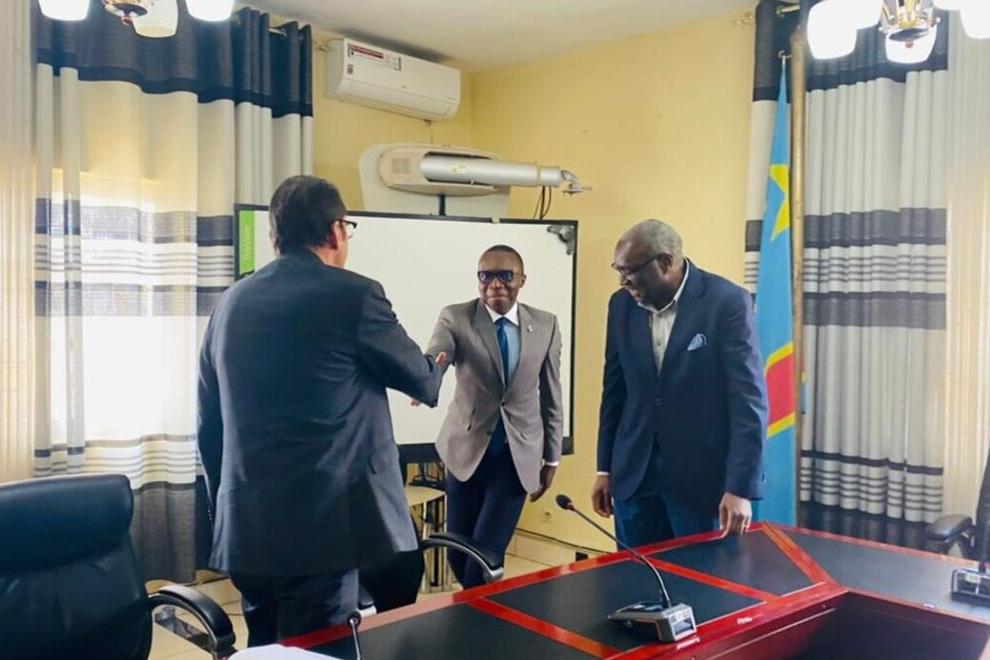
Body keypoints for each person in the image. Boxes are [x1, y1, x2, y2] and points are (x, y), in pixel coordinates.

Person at [197, 175, 444, 645]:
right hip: (321, 536)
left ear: (276, 237)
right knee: (320, 650)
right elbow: (423, 381)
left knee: (266, 647)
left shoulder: (229, 302)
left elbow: (209, 426)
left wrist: (227, 512)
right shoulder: (355, 295)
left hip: (247, 530)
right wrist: (440, 360)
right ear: (335, 231)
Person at [592, 219, 767, 549]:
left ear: (665, 262)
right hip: (634, 478)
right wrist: (605, 468)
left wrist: (740, 488)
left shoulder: (726, 302)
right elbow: (615, 392)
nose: (623, 281)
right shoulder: (621, 305)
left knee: (702, 578)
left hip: (701, 485)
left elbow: (748, 401)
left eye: (630, 271)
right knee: (634, 576)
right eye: (618, 270)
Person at [424, 245, 563, 587]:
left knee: (485, 558)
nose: (495, 284)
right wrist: (424, 379)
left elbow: (551, 394)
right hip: (466, 452)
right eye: (486, 276)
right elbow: (437, 356)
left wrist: (552, 458)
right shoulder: (457, 318)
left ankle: (476, 615)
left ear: (522, 280)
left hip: (516, 457)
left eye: (505, 276)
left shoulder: (545, 324)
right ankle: (474, 609)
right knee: (458, 553)